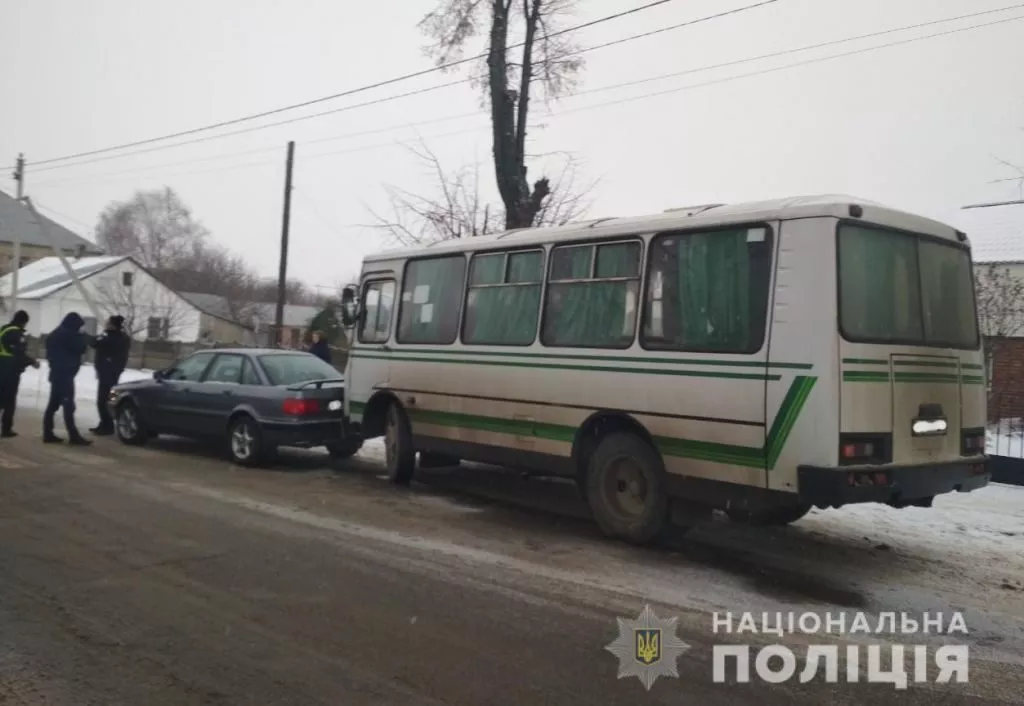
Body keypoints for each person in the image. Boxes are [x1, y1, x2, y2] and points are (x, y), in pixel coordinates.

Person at [43, 312, 91, 445]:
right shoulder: (70, 335)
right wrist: (81, 337)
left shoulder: (55, 334)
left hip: (56, 373)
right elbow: (81, 349)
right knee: (68, 404)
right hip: (65, 374)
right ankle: (73, 435)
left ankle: (47, 432)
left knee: (53, 404)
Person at [0, 310, 40, 438]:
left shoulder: (4, 329)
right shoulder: (16, 333)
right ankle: (6, 429)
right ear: (23, 322)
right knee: (9, 400)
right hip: (10, 370)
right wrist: (32, 362)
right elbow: (19, 353)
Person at [89, 315, 130, 435]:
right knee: (109, 398)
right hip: (113, 371)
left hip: (107, 372)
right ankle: (105, 423)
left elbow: (94, 343)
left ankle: (107, 425)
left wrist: (104, 333)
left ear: (112, 325)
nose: (106, 324)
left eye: (108, 323)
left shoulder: (109, 337)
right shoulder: (123, 337)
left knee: (103, 400)